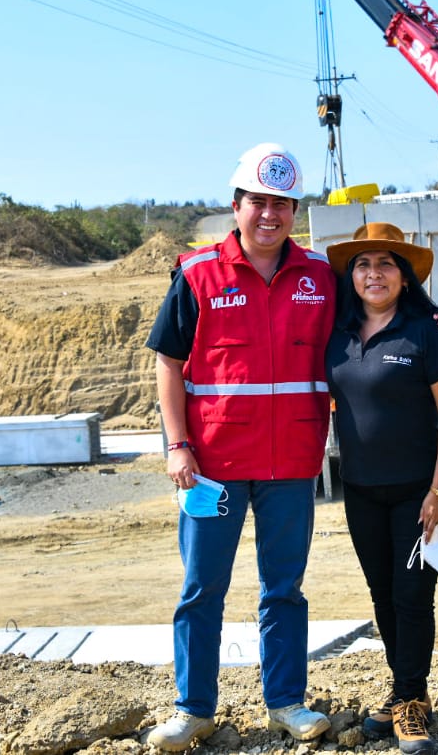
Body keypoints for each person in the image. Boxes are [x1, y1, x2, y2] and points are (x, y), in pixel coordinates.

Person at [143, 142, 335, 751]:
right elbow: (169, 364)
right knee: (202, 590)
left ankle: (286, 703)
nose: (270, 215)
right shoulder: (198, 274)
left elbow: (379, 314)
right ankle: (193, 709)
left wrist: (429, 318)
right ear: (237, 206)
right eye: (259, 202)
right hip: (211, 468)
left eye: (282, 204)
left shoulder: (322, 278)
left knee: (284, 591)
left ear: (295, 211)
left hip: (291, 465)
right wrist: (177, 445)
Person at [324, 223, 438, 755]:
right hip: (361, 491)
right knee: (383, 596)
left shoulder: (428, 333)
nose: (373, 273)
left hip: (420, 494)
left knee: (413, 597)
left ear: (404, 276)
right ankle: (408, 691)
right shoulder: (336, 334)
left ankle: (409, 702)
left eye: (385, 263)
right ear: (352, 277)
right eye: (363, 264)